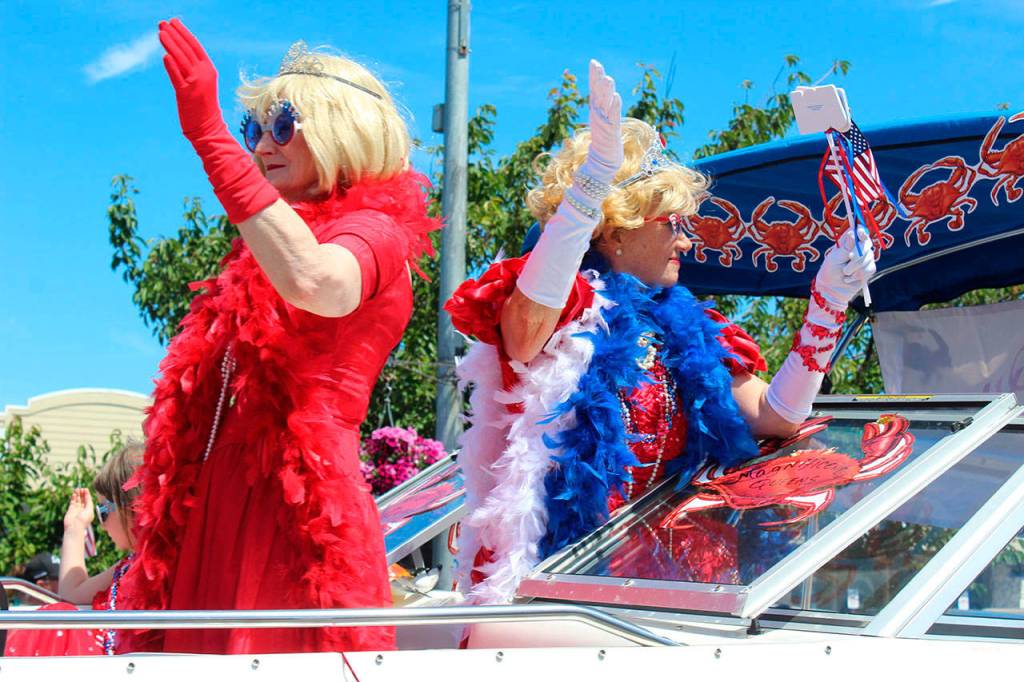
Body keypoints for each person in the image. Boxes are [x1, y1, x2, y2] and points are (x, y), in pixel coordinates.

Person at [445, 61, 875, 604]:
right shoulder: (563, 312)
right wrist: (589, 189)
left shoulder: (692, 326)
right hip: (562, 581)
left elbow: (776, 416)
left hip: (681, 583)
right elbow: (529, 327)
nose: (687, 241)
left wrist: (827, 305)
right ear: (618, 230)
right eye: (673, 223)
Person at [120, 19, 439, 654]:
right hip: (216, 506)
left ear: (343, 131)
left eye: (284, 125)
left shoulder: (376, 230)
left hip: (298, 516)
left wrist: (213, 140)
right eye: (252, 129)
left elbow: (318, 281)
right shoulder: (269, 244)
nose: (262, 144)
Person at [5, 442, 143, 657]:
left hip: (126, 668)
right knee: (58, 614)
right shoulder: (129, 565)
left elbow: (68, 600)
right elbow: (72, 594)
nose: (101, 524)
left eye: (103, 511)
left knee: (57, 618)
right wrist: (76, 528)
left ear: (129, 507)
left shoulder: (161, 564)